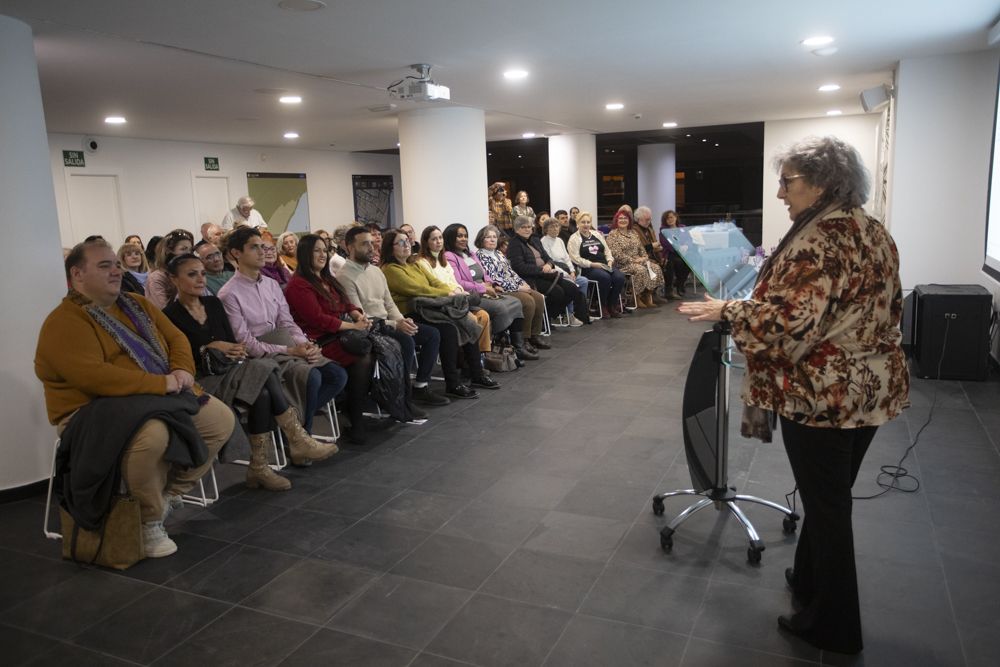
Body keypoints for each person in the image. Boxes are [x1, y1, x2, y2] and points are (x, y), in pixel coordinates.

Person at [678, 135, 910, 655]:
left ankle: (834, 627)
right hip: (869, 388)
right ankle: (809, 582)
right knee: (829, 497)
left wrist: (728, 311)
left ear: (823, 182)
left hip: (824, 394)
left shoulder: (820, 238)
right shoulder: (872, 231)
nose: (781, 193)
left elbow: (789, 322)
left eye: (788, 182)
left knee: (828, 508)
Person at [36, 239, 236, 558]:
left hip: (149, 398)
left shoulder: (135, 304)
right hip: (91, 411)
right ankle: (149, 520)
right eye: (104, 266)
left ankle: (166, 495)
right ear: (77, 274)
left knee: (220, 420)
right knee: (152, 435)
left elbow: (176, 338)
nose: (116, 270)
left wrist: (183, 369)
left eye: (116, 264)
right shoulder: (64, 321)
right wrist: (162, 384)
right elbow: (95, 378)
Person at [164, 254, 330, 491]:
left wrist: (234, 349)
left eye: (202, 273)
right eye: (192, 274)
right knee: (266, 367)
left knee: (263, 393)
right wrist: (208, 348)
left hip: (231, 368)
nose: (201, 279)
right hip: (202, 379)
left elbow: (232, 341)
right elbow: (176, 360)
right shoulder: (169, 315)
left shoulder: (212, 304)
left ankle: (260, 467)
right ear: (173, 279)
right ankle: (295, 437)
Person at [218, 227, 347, 448]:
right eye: (254, 247)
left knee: (337, 374)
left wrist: (305, 344)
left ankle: (292, 429)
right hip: (259, 356)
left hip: (285, 343)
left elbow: (287, 322)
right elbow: (246, 342)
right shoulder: (229, 293)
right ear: (236, 253)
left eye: (264, 247)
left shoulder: (270, 284)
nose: (262, 252)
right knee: (312, 377)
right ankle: (301, 438)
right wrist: (290, 351)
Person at [338, 227, 450, 408]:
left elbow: (389, 303)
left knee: (431, 334)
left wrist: (401, 320)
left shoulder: (375, 271)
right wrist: (394, 325)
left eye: (372, 243)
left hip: (388, 323)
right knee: (406, 341)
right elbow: (359, 314)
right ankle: (400, 396)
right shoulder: (344, 276)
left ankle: (420, 386)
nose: (371, 247)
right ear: (349, 247)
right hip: (370, 328)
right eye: (364, 244)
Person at [381, 229, 500, 399]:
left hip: (429, 307)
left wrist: (450, 291)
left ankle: (477, 374)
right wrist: (449, 294)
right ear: (390, 247)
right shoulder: (390, 269)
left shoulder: (412, 264)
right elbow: (418, 289)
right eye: (401, 242)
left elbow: (433, 282)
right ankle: (451, 383)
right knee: (449, 330)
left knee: (465, 320)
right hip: (410, 312)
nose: (407, 244)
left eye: (407, 241)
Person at [285, 234, 380, 444]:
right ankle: (354, 417)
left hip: (337, 335)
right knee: (362, 356)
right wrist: (353, 326)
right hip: (317, 340)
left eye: (324, 250)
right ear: (304, 254)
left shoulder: (327, 278)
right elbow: (318, 319)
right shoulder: (298, 285)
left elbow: (346, 303)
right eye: (316, 250)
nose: (322, 255)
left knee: (371, 350)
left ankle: (355, 411)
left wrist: (357, 314)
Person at [442, 223, 534, 361]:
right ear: (450, 238)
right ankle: (497, 341)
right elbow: (459, 283)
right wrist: (483, 288)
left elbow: (485, 274)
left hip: (486, 289)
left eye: (465, 235)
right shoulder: (450, 256)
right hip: (472, 295)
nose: (463, 239)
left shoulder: (470, 254)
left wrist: (493, 284)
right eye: (459, 236)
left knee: (516, 302)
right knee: (501, 308)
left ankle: (518, 346)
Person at [417, 226, 493, 355]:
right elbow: (436, 285)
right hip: (443, 302)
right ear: (426, 242)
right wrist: (457, 292)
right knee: (472, 319)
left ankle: (482, 355)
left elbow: (454, 281)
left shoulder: (443, 260)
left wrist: (459, 291)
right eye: (434, 239)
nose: (438, 241)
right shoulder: (423, 262)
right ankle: (467, 361)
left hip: (457, 297)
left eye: (440, 238)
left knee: (483, 316)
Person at [475, 224, 549, 353]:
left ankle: (534, 335)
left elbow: (511, 272)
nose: (492, 240)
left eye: (494, 237)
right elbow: (494, 279)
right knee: (527, 301)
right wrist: (518, 288)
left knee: (538, 297)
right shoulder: (480, 256)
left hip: (514, 285)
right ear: (481, 240)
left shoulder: (498, 253)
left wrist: (523, 284)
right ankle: (524, 340)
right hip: (502, 289)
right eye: (488, 237)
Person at [506, 216, 590, 325]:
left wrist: (549, 264)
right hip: (531, 278)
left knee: (572, 288)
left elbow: (547, 258)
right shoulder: (514, 244)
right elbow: (519, 267)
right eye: (523, 227)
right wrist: (541, 269)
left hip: (547, 274)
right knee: (558, 292)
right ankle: (545, 319)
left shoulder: (535, 240)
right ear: (517, 229)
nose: (527, 229)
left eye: (529, 227)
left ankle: (550, 315)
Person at [568, 211, 626, 318]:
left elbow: (607, 251)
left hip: (604, 265)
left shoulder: (597, 234)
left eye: (588, 222)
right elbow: (575, 258)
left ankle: (612, 305)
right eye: (583, 222)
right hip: (588, 268)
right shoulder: (574, 238)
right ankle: (602, 306)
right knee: (605, 278)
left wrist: (609, 260)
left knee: (620, 277)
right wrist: (592, 264)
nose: (586, 224)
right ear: (578, 223)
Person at [606, 206, 665, 309]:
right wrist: (634, 260)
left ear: (629, 220)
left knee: (655, 268)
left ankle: (648, 295)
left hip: (639, 261)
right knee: (641, 270)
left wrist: (644, 258)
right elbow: (616, 254)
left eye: (625, 218)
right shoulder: (613, 234)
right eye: (621, 218)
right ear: (616, 220)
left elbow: (641, 249)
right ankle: (636, 297)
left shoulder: (633, 233)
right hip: (623, 264)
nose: (623, 220)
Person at [540, 218, 588, 326]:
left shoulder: (560, 240)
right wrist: (566, 275)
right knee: (570, 285)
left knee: (584, 281)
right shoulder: (543, 241)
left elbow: (567, 258)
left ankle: (580, 312)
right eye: (552, 227)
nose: (555, 229)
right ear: (546, 229)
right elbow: (551, 262)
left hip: (566, 271)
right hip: (556, 272)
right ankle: (568, 315)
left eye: (557, 226)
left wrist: (572, 271)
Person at [145, 229, 195, 309]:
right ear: (168, 251)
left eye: (190, 250)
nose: (188, 254)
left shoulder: (187, 273)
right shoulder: (157, 277)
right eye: (183, 249)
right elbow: (164, 311)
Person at [634, 206, 671, 305]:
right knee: (655, 266)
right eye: (646, 219)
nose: (649, 221)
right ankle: (646, 295)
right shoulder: (634, 230)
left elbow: (655, 244)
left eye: (650, 219)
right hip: (640, 257)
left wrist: (659, 251)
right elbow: (638, 248)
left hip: (653, 255)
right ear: (638, 219)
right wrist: (652, 246)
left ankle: (658, 293)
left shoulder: (649, 229)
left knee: (668, 262)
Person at [659, 210, 691, 298]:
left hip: (683, 252)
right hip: (670, 253)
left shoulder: (682, 227)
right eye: (667, 218)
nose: (670, 219)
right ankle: (670, 289)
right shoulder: (663, 230)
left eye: (671, 217)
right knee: (676, 262)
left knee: (691, 262)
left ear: (676, 217)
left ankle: (679, 284)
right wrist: (678, 248)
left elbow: (689, 239)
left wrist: (686, 245)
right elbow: (666, 244)